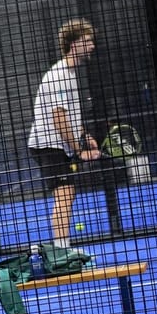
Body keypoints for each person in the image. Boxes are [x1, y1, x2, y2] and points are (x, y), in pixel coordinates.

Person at [26, 18, 101, 250]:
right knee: (65, 194)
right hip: (48, 144)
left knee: (67, 194)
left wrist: (84, 135)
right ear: (74, 44)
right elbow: (59, 118)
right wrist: (80, 151)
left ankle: (63, 248)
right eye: (87, 41)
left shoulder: (69, 73)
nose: (92, 46)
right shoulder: (60, 75)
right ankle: (62, 251)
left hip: (58, 144)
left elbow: (68, 115)